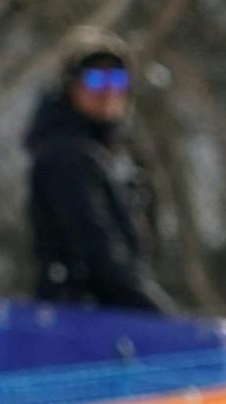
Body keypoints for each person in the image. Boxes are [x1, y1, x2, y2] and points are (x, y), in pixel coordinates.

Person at [26, 40, 176, 313]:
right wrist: (166, 324)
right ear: (71, 88)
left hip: (105, 316)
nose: (108, 90)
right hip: (82, 319)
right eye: (95, 78)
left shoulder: (112, 159)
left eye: (118, 78)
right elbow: (101, 259)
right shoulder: (67, 156)